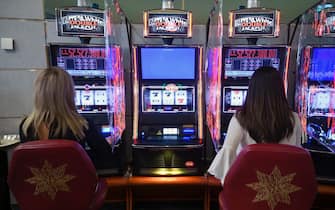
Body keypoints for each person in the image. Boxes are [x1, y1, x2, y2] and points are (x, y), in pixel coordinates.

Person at [208, 66, 302, 185]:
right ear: (281, 90)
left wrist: (228, 184)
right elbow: (299, 158)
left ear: (252, 90)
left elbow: (228, 154)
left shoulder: (241, 118)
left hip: (248, 189)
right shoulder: (294, 119)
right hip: (284, 189)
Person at [19, 66, 114, 169]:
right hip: (75, 184)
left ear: (38, 94)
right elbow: (106, 158)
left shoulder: (25, 126)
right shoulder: (81, 125)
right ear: (69, 93)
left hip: (38, 184)